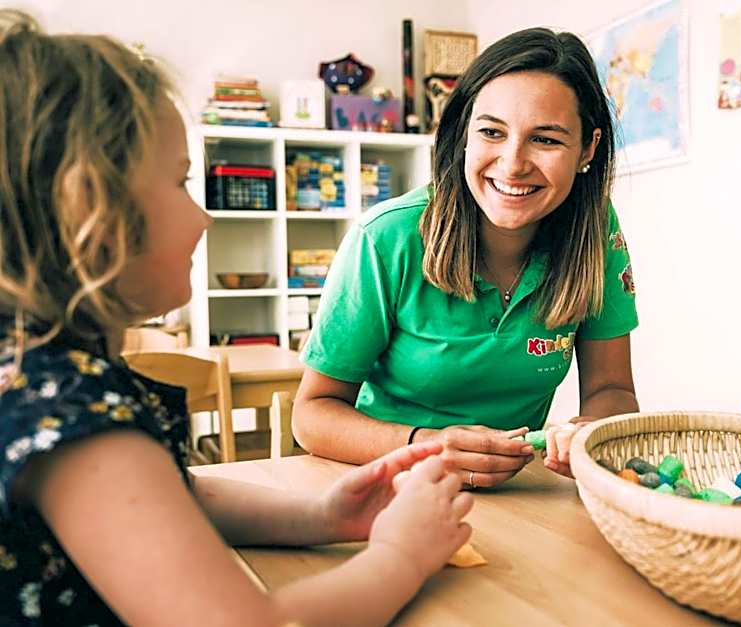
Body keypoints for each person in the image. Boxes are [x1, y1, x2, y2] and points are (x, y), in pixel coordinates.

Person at [0, 11, 471, 626]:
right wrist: (401, 554)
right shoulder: (69, 412)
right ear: (88, 206)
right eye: (179, 182)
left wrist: (324, 516)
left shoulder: (37, 374)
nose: (206, 218)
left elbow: (175, 496)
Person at [294, 27, 639, 488]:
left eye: (547, 140)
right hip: (385, 488)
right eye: (492, 132)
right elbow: (311, 416)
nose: (513, 163)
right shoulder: (387, 237)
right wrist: (427, 445)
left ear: (588, 149)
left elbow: (611, 390)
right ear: (463, 136)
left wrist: (589, 432)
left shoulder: (597, 232)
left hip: (522, 495)